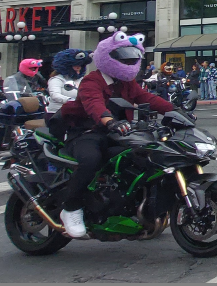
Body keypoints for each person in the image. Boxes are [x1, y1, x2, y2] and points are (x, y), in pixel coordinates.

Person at [57, 32, 172, 239]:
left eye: (132, 58)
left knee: (143, 157)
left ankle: (137, 207)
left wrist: (175, 111)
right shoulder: (92, 80)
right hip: (87, 133)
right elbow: (93, 103)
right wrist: (109, 121)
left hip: (119, 134)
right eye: (124, 58)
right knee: (91, 160)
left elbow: (147, 98)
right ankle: (71, 208)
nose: (129, 62)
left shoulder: (126, 83)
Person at [46, 49, 91, 113]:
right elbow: (55, 95)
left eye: (80, 65)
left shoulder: (81, 79)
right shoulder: (57, 79)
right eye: (75, 65)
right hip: (58, 113)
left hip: (77, 111)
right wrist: (71, 100)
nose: (78, 67)